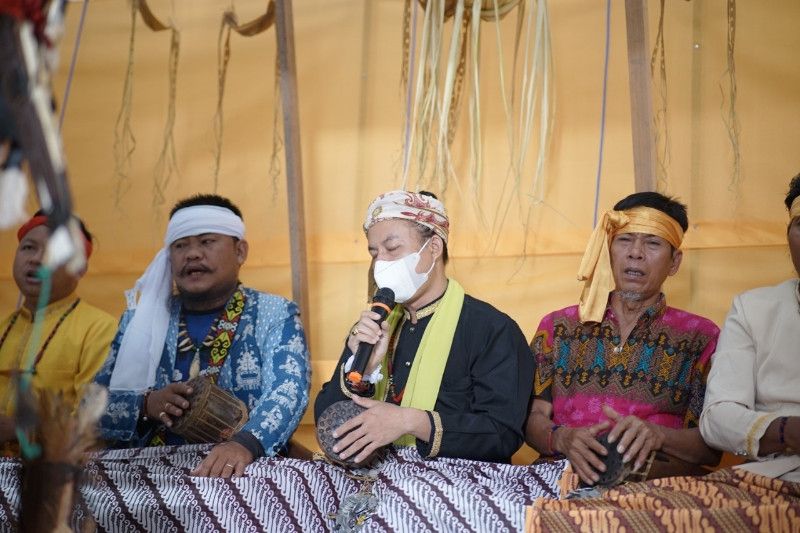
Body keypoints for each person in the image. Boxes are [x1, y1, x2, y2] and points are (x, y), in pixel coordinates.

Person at [95, 194, 310, 478]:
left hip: (243, 473)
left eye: (207, 242)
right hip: (146, 476)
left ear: (240, 251)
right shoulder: (138, 323)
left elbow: (288, 391)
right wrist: (146, 404)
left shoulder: (273, 313)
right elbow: (90, 408)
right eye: (180, 245)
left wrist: (245, 444)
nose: (192, 254)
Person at [314, 190, 533, 464]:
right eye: (374, 253)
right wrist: (363, 373)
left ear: (434, 247)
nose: (381, 263)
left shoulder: (492, 329)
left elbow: (502, 435)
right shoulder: (372, 327)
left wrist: (411, 422)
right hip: (372, 477)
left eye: (393, 248)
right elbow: (328, 428)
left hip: (453, 482)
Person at [525, 192, 720, 486]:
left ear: (674, 262)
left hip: (657, 487)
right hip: (560, 479)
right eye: (625, 240)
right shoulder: (557, 327)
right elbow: (532, 416)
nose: (635, 253)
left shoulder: (701, 337)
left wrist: (659, 436)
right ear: (607, 250)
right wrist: (562, 438)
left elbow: (712, 447)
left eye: (652, 243)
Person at [700, 174, 800, 482]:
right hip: (773, 475)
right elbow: (717, 417)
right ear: (788, 236)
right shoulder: (753, 308)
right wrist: (785, 430)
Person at [0, 211, 116, 446]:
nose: (36, 259)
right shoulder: (4, 326)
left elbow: (97, 422)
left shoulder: (100, 329)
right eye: (28, 248)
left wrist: (20, 430)